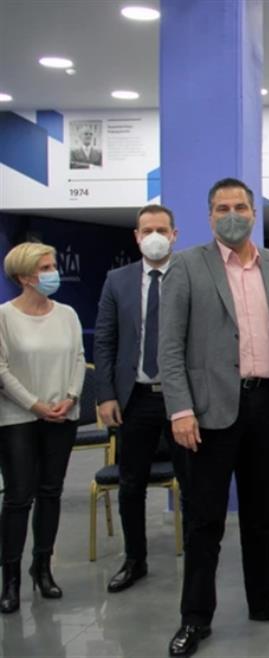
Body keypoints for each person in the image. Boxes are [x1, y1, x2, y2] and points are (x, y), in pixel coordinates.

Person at [160, 178, 269, 657]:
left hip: (266, 404)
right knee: (204, 521)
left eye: (240, 206)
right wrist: (180, 409)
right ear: (209, 216)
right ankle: (195, 618)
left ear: (253, 213)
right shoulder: (186, 265)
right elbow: (170, 347)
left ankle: (265, 599)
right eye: (222, 207)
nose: (232, 215)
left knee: (262, 514)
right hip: (207, 412)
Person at [93, 204, 190, 594]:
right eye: (147, 230)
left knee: (194, 481)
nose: (154, 236)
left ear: (174, 235)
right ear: (136, 236)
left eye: (161, 229)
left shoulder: (190, 275)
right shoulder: (117, 280)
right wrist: (105, 395)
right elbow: (105, 340)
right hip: (135, 398)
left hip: (183, 399)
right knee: (131, 484)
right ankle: (135, 559)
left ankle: (199, 558)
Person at [0, 242, 84, 614]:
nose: (54, 273)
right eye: (45, 268)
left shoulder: (67, 314)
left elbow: (79, 358)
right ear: (24, 277)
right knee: (18, 497)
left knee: (51, 492)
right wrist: (34, 405)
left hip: (62, 416)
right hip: (17, 418)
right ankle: (10, 579)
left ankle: (43, 567)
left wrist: (71, 396)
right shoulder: (4, 317)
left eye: (53, 265)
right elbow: (1, 370)